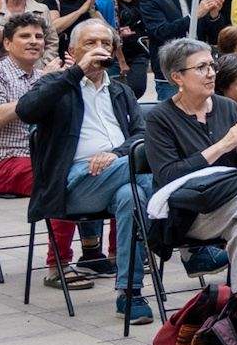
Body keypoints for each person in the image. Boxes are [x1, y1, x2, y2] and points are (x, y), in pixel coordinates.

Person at [15, 20, 154, 321]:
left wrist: (115, 154)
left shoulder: (120, 90)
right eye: (90, 44)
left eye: (105, 44)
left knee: (132, 196)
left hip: (118, 173)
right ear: (73, 50)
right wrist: (75, 72)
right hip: (73, 183)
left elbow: (141, 134)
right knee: (151, 172)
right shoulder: (57, 85)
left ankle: (129, 294)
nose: (99, 50)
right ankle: (187, 236)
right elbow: (26, 110)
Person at [0, 16, 80, 278]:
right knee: (62, 179)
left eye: (39, 37)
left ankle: (102, 254)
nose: (33, 42)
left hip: (44, 156)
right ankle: (59, 265)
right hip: (5, 161)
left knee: (97, 170)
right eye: (25, 36)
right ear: (7, 43)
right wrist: (47, 87)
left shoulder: (46, 76)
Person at [145, 39, 237, 288]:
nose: (211, 73)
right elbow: (168, 175)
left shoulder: (226, 106)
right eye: (201, 68)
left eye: (212, 65)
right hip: (189, 213)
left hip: (233, 200)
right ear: (177, 77)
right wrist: (225, 144)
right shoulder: (159, 118)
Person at [138, 0, 225, 98]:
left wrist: (214, 14)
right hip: (171, 72)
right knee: (172, 117)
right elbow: (161, 32)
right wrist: (194, 16)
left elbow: (213, 35)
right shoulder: (150, 0)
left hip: (200, 67)